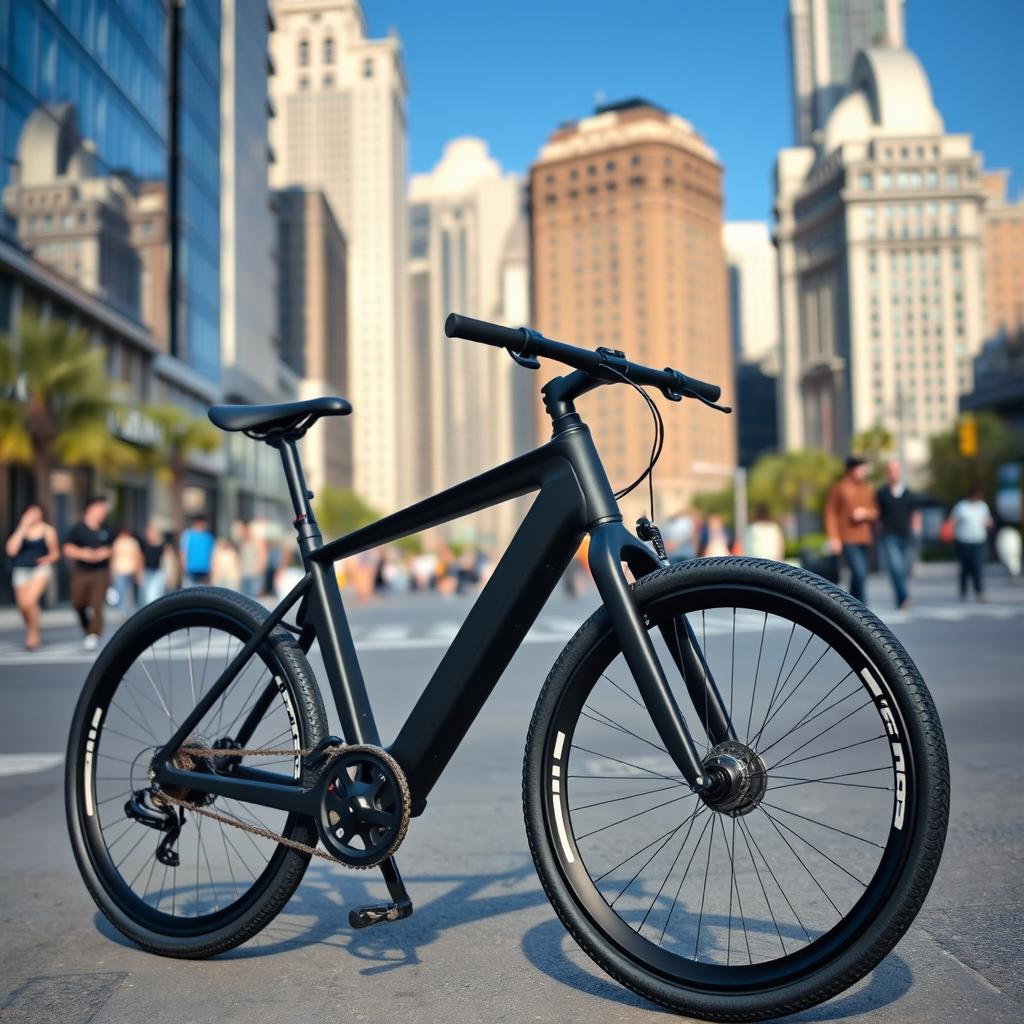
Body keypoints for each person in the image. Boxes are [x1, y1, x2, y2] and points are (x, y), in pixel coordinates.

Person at [824, 456, 878, 604]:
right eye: (860, 468)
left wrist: (865, 513)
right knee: (859, 572)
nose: (863, 471)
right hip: (847, 537)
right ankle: (863, 606)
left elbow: (875, 512)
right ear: (851, 469)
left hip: (864, 538)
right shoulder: (839, 488)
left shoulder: (867, 488)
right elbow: (830, 513)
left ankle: (853, 606)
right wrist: (833, 537)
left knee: (859, 575)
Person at [5, 503, 59, 650]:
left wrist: (47, 559)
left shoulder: (48, 530)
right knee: (23, 606)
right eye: (30, 512)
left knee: (30, 601)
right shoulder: (21, 530)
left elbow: (55, 554)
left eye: (36, 512)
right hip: (21, 569)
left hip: (40, 569)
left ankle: (33, 635)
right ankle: (32, 628)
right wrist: (22, 527)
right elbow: (11, 550)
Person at [63, 495, 113, 650]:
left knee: (97, 603)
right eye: (100, 508)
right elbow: (67, 548)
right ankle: (87, 628)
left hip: (100, 572)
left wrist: (105, 553)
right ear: (90, 509)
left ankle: (94, 634)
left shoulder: (106, 529)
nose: (103, 512)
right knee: (78, 602)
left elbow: (113, 547)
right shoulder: (78, 529)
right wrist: (85, 554)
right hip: (81, 571)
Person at [876, 459, 920, 610]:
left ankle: (900, 597)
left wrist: (916, 529)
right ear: (887, 473)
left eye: (895, 470)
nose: (893, 473)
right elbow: (877, 514)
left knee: (903, 569)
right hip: (889, 536)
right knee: (895, 567)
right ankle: (904, 598)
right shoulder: (881, 493)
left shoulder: (908, 493)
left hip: (905, 536)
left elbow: (915, 513)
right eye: (890, 470)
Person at [949, 486, 993, 601]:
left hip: (979, 541)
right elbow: (953, 521)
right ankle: (963, 590)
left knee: (977, 566)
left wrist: (989, 524)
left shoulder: (983, 507)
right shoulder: (961, 507)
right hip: (963, 542)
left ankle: (980, 592)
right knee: (965, 568)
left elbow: (988, 520)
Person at [110, 526, 143, 611]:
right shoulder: (118, 542)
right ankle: (121, 608)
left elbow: (137, 556)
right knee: (121, 589)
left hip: (129, 569)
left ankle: (126, 608)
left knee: (127, 590)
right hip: (120, 569)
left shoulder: (132, 542)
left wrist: (138, 571)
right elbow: (113, 556)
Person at [180, 515, 214, 586]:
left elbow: (211, 555)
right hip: (191, 569)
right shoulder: (188, 535)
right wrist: (183, 566)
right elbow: (184, 552)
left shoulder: (208, 537)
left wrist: (211, 570)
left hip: (204, 569)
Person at [139, 524, 169, 605]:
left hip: (157, 572)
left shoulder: (161, 545)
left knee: (155, 594)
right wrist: (139, 573)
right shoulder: (144, 545)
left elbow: (166, 560)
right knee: (146, 595)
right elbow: (141, 559)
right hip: (147, 571)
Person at [236, 520, 266, 598]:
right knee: (243, 597)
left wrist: (259, 570)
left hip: (254, 574)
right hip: (244, 574)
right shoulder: (243, 542)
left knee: (253, 597)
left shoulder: (257, 541)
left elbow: (263, 556)